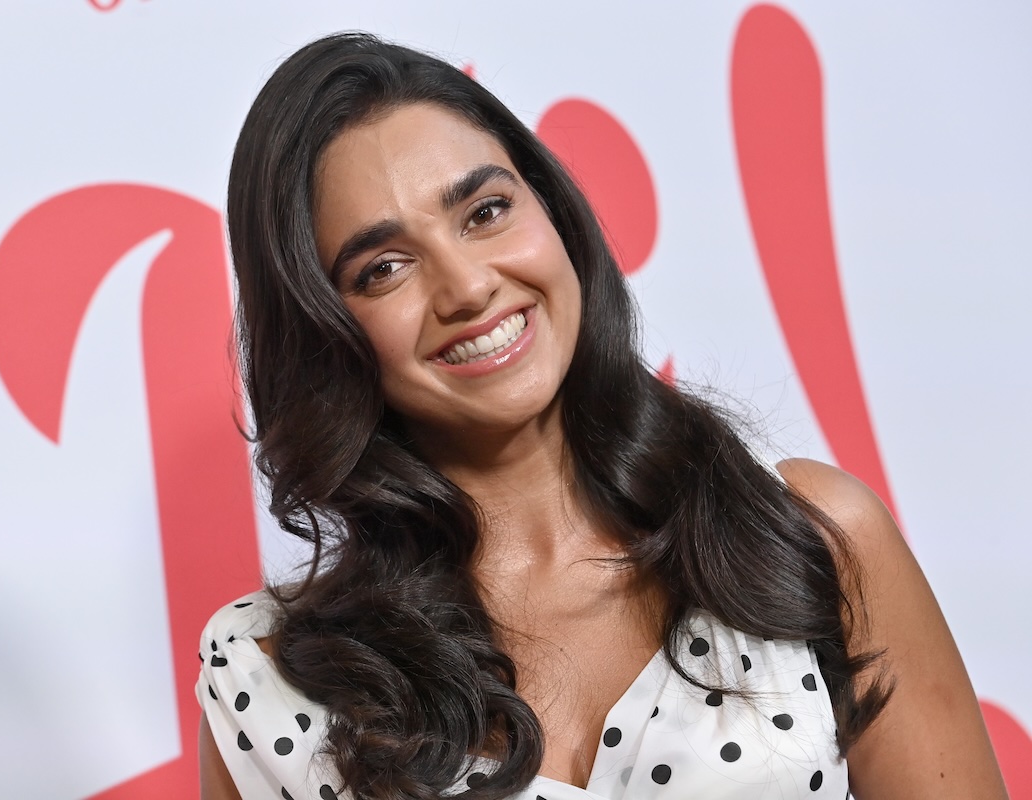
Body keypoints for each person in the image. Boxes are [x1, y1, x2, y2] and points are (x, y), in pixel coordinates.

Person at [196, 32, 1006, 800]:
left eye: (485, 212)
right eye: (384, 267)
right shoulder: (267, 684)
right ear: (321, 330)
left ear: (552, 210)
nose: (468, 287)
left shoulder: (806, 539)